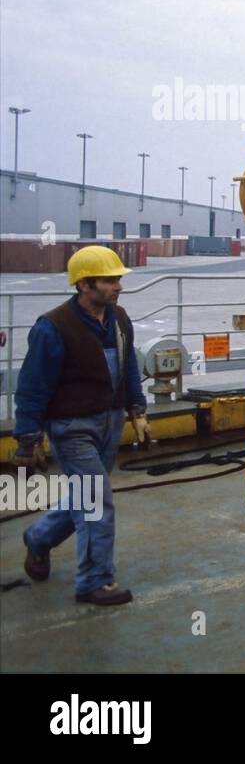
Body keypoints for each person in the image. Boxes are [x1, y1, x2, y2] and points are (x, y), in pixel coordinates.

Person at [15, 245, 148, 606]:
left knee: (85, 496)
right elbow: (32, 385)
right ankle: (94, 580)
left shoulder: (119, 319)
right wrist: (28, 437)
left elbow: (129, 366)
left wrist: (137, 407)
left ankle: (39, 538)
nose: (118, 286)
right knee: (96, 501)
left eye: (118, 279)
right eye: (110, 280)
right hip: (71, 427)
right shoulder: (52, 327)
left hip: (110, 420)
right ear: (84, 285)